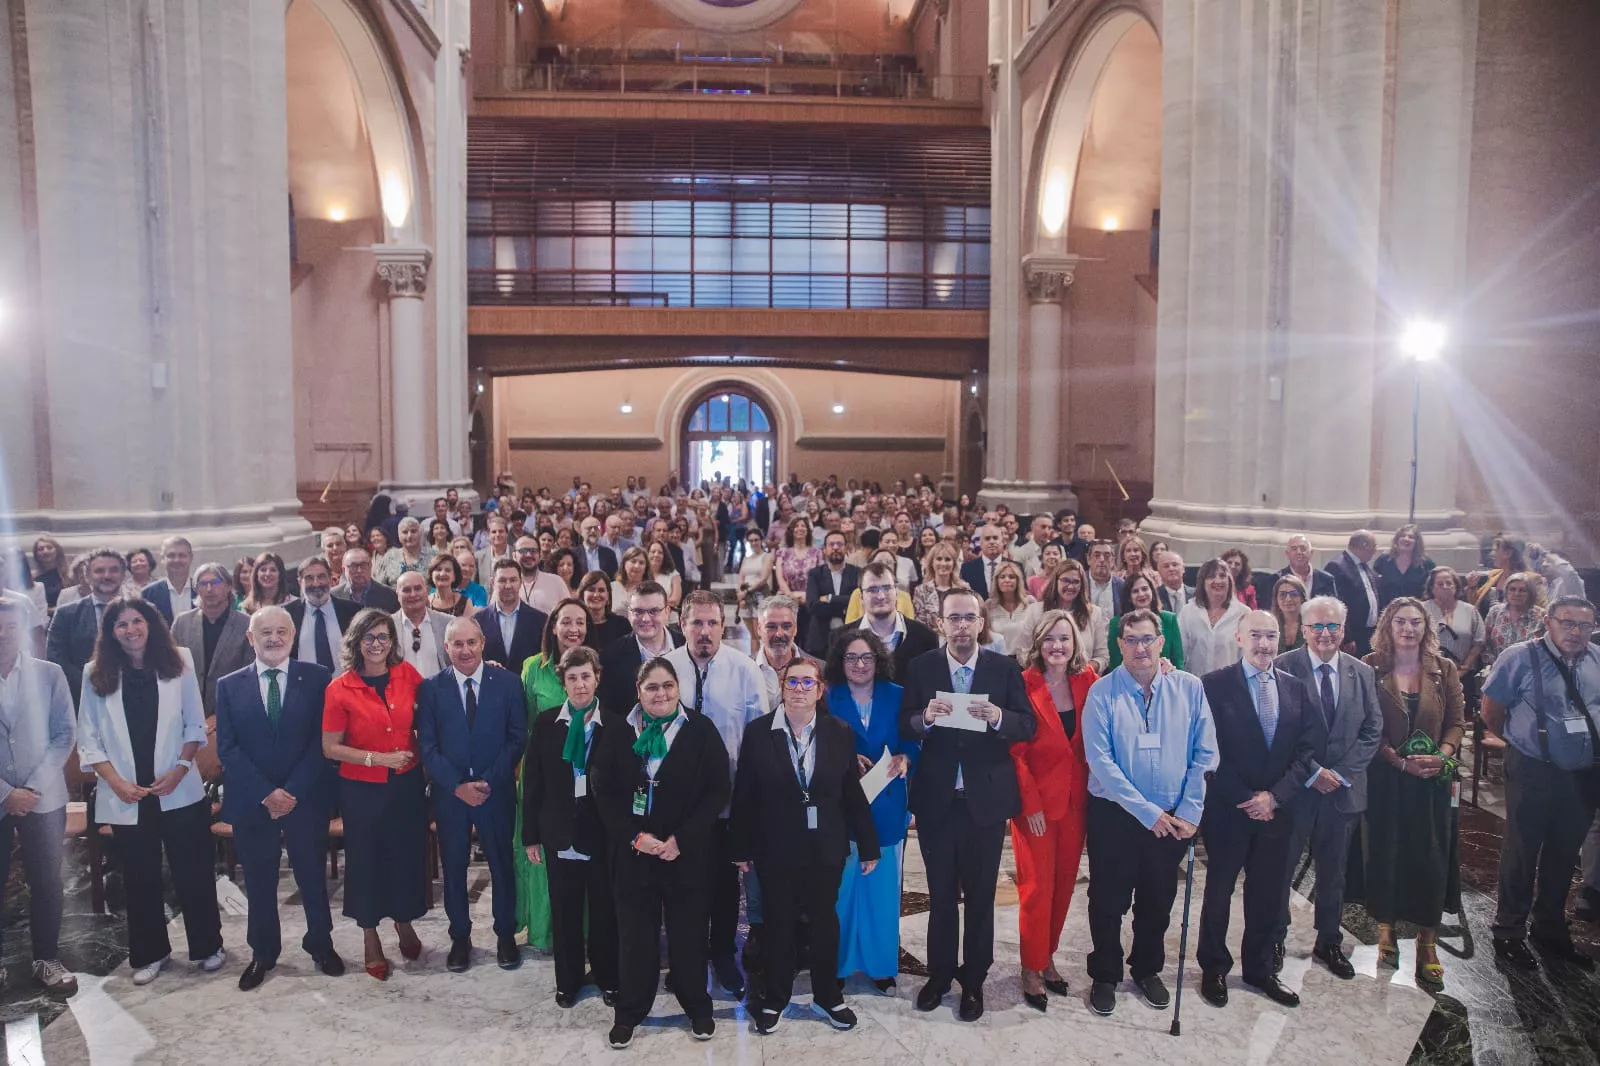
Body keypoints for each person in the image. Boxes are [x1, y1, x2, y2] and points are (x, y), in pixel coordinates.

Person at [901, 588, 1035, 1021]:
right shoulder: (922, 667)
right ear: (940, 622)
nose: (961, 626)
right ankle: (939, 975)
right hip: (937, 800)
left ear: (981, 623)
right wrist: (925, 718)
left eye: (968, 618)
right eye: (953, 618)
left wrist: (998, 718)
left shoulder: (1003, 667)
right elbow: (906, 721)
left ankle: (974, 980)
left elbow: (1027, 724)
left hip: (985, 801)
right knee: (941, 895)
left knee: (980, 897)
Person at [77, 597, 224, 985]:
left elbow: (195, 724)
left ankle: (208, 946)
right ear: (111, 633)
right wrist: (117, 783)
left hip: (177, 786)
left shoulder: (180, 661)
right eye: (121, 624)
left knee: (193, 870)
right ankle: (150, 953)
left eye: (137, 621)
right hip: (127, 793)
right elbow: (88, 739)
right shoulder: (95, 672)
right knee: (139, 876)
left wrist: (180, 769)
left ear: (151, 624)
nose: (130, 630)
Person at [732, 655, 879, 1034]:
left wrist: (868, 844)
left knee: (824, 921)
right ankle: (776, 997)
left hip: (825, 846)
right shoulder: (758, 732)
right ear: (781, 689)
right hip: (775, 846)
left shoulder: (839, 732)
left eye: (807, 682)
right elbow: (745, 793)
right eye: (792, 682)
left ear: (819, 689)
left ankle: (828, 996)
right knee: (778, 922)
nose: (799, 689)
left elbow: (851, 792)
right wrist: (740, 847)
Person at [1080, 608, 1216, 1016]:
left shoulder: (1188, 687)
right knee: (1107, 899)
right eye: (1131, 640)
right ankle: (1105, 973)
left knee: (1158, 898)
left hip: (1171, 816)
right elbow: (1100, 762)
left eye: (1147, 639)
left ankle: (1146, 968)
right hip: (1115, 814)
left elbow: (1205, 753)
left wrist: (1190, 811)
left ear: (1161, 643)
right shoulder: (1102, 692)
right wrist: (1145, 812)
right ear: (1119, 646)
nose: (1140, 647)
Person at [590, 657, 730, 1049]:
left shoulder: (700, 729)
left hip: (685, 854)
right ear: (639, 691)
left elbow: (718, 789)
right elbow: (603, 791)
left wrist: (681, 839)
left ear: (678, 688)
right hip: (635, 853)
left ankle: (697, 1005)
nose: (661, 694)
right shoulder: (619, 731)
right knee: (635, 937)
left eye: (668, 685)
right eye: (651, 687)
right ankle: (630, 1011)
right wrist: (634, 836)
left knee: (689, 936)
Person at [1196, 611, 1322, 1010]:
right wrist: (1248, 798)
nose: (1264, 644)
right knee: (1219, 892)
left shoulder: (1296, 688)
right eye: (1256, 635)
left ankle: (1260, 968)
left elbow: (1306, 752)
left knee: (1269, 894)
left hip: (1278, 812)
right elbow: (1207, 750)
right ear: (1239, 638)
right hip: (1229, 809)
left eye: (1271, 636)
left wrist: (1275, 797)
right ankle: (1214, 967)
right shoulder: (1213, 685)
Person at [214, 606, 344, 990]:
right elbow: (228, 748)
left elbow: (321, 742)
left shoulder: (317, 677)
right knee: (258, 880)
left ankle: (321, 945)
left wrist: (292, 792)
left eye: (281, 631)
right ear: (250, 638)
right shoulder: (228, 685)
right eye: (265, 632)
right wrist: (266, 793)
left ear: (292, 635)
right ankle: (263, 952)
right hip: (252, 801)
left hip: (305, 797)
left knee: (311, 876)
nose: (274, 639)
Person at [1482, 596, 1600, 972]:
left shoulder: (1596, 659)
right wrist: (1520, 744)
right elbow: (1491, 711)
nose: (1576, 632)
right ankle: (1509, 931)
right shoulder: (1519, 657)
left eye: (1585, 625)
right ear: (1548, 622)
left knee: (1564, 854)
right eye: (1568, 623)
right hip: (1533, 769)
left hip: (1582, 773)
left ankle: (1549, 928)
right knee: (1522, 851)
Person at [1271, 595, 1383, 980]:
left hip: (1342, 791)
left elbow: (1372, 730)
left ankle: (1329, 940)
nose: (1325, 633)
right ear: (1303, 630)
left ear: (1343, 629)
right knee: (1281, 868)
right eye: (1317, 626)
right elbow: (1277, 731)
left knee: (1334, 872)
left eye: (1332, 626)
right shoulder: (1283, 667)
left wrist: (1340, 773)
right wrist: (1312, 772)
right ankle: (1275, 936)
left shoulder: (1361, 672)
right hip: (1296, 790)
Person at [1357, 597, 1464, 991]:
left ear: (1426, 627)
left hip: (1433, 781)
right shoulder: (1371, 666)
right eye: (1400, 621)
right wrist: (1397, 761)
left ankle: (1428, 942)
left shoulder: (1444, 668)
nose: (1408, 629)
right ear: (1388, 625)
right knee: (1387, 853)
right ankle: (1386, 930)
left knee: (1432, 856)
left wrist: (1442, 756)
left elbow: (1457, 723)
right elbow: (1367, 723)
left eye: (1416, 622)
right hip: (1387, 778)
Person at [666, 592, 769, 998]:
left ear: (723, 626)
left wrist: (751, 801)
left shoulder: (744, 670)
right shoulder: (666, 668)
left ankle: (724, 954)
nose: (705, 631)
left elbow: (759, 738)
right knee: (683, 886)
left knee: (726, 887)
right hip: (678, 804)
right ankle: (685, 959)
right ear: (682, 625)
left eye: (712, 623)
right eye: (697, 622)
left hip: (729, 801)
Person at [321, 609, 428, 980]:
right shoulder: (339, 688)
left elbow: (436, 706)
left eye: (383, 636)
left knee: (405, 858)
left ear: (392, 641)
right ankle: (370, 935)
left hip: (406, 786)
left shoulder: (407, 675)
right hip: (361, 790)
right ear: (356, 642)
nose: (376, 644)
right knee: (366, 863)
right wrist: (378, 759)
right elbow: (330, 747)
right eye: (368, 637)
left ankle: (403, 921)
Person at [416, 618, 527, 973]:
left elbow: (517, 738)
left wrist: (488, 782)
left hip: (495, 792)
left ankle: (505, 935)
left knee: (501, 865)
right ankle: (460, 937)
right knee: (453, 867)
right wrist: (457, 786)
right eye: (457, 644)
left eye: (471, 643)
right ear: (446, 647)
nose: (465, 650)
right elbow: (427, 746)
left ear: (482, 643)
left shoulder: (508, 683)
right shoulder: (431, 688)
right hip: (451, 796)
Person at [1009, 611, 1096, 1011]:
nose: (1057, 646)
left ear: (1075, 642)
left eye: (1064, 638)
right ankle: (1030, 966)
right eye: (1049, 639)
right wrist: (1029, 804)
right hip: (1036, 806)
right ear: (1038, 643)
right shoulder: (1023, 683)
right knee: (1037, 888)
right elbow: (1014, 752)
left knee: (1063, 886)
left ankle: (1048, 957)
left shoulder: (1088, 680)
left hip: (1076, 802)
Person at [522, 644, 618, 1007]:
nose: (580, 685)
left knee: (604, 912)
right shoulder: (547, 724)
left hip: (600, 835)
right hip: (559, 833)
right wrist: (531, 835)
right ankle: (568, 980)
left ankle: (608, 977)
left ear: (597, 679)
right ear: (563, 682)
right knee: (565, 912)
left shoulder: (615, 725)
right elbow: (533, 783)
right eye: (573, 678)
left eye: (586, 677)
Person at [825, 632, 915, 994]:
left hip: (887, 802)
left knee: (882, 891)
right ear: (840, 661)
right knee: (843, 892)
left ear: (878, 661)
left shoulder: (898, 695)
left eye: (867, 657)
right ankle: (839, 963)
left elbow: (912, 739)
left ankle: (880, 966)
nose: (859, 665)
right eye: (851, 657)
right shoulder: (828, 696)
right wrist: (845, 759)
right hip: (842, 807)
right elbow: (816, 741)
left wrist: (906, 758)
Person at [0, 601, 79, 994]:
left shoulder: (49, 674)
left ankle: (46, 958)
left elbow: (65, 733)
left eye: (10, 627)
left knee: (47, 880)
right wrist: (6, 793)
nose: (2, 635)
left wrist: (30, 788)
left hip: (43, 796)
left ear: (23, 630)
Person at [516, 598, 589, 951]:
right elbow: (525, 723)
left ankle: (586, 931)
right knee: (543, 855)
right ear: (553, 626)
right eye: (566, 622)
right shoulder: (533, 667)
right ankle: (546, 930)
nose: (573, 629)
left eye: (580, 622)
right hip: (543, 775)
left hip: (584, 775)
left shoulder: (592, 666)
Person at [171, 562, 253, 718]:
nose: (209, 589)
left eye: (215, 582)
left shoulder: (246, 624)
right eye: (203, 584)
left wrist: (220, 714)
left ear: (228, 586)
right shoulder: (182, 623)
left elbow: (249, 676)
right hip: (186, 712)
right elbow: (171, 668)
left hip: (230, 712)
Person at [46, 548, 126, 707]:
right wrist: (90, 685)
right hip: (81, 700)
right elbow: (56, 658)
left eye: (114, 570)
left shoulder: (142, 611)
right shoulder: (66, 614)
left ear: (123, 575)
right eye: (99, 571)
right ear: (87, 576)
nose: (107, 576)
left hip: (132, 698)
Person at [598, 583, 684, 717]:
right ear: (629, 613)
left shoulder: (686, 646)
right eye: (638, 611)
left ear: (667, 612)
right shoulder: (610, 656)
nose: (645, 619)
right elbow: (609, 711)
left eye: (654, 611)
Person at [286, 556, 360, 672]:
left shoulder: (353, 612)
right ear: (300, 582)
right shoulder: (287, 615)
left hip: (347, 681)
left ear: (330, 579)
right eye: (309, 578)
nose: (316, 583)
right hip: (305, 682)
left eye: (321, 576)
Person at [1178, 558, 1250, 675]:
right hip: (1195, 682)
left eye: (1222, 576)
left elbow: (1247, 656)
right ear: (1203, 582)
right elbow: (1180, 653)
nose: (1217, 581)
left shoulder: (1243, 613)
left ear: (1229, 580)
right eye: (1211, 576)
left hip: (1229, 682)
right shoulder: (1188, 612)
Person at [477, 559, 547, 677]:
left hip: (527, 686)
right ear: (493, 582)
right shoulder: (478, 621)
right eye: (502, 580)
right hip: (491, 684)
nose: (508, 586)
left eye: (513, 580)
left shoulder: (540, 620)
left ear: (521, 582)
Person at [1041, 559, 1111, 673]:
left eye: (1076, 582)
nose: (1070, 586)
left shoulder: (1094, 613)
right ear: (1055, 581)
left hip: (1082, 678)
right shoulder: (1036, 611)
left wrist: (1083, 671)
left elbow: (1102, 657)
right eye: (1065, 580)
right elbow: (1024, 652)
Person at [1107, 571, 1184, 672]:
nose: (1141, 594)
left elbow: (1178, 662)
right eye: (1135, 591)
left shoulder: (1169, 619)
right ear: (1129, 597)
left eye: (1144, 589)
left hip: (1165, 677)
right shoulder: (1116, 623)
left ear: (1152, 591)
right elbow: (1115, 663)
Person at [802, 531, 858, 656]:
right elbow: (812, 606)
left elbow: (858, 601)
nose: (836, 547)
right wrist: (844, 607)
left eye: (839, 544)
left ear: (846, 548)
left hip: (850, 636)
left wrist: (830, 598)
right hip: (820, 638)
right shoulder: (815, 574)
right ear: (824, 550)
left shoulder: (856, 573)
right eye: (831, 544)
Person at [1325, 531, 1381, 655]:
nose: (1375, 551)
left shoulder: (1365, 566)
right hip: (1353, 636)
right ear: (1364, 545)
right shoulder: (1337, 566)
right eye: (1374, 546)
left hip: (1370, 633)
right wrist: (1347, 637)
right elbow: (1336, 605)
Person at [1424, 567, 1486, 673]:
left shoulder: (1470, 610)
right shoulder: (1421, 610)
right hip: (1427, 672)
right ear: (1431, 588)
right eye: (1440, 584)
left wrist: (1465, 667)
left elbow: (1479, 642)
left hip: (1463, 673)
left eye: (1449, 583)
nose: (1445, 586)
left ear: (1456, 586)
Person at [390, 571, 452, 678]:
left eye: (418, 588)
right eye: (406, 590)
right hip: (402, 688)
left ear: (426, 590)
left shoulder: (448, 623)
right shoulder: (387, 625)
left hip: (439, 687)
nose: (413, 594)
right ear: (397, 594)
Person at [1484, 571, 1548, 666]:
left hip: (1531, 668)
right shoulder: (1495, 612)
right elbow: (1485, 643)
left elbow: (1548, 647)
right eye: (1512, 589)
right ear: (1506, 591)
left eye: (1522, 590)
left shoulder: (1541, 615)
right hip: (1497, 667)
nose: (1517, 594)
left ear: (1530, 593)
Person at [985, 560, 1040, 660]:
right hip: (998, 659)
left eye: (1011, 577)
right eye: (1002, 577)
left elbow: (1039, 633)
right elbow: (986, 639)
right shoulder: (989, 605)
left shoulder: (1030, 602)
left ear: (1018, 581)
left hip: (1026, 660)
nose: (1007, 580)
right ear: (996, 581)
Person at [1468, 535, 1529, 616]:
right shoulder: (1494, 575)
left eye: (1495, 550)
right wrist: (1472, 587)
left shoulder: (1531, 579)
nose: (1492, 554)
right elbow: (1476, 603)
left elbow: (1540, 612)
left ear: (1508, 553)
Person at [1375, 524, 1434, 607]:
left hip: (1415, 611)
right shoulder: (1384, 560)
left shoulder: (1426, 564)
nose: (1406, 539)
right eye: (1402, 536)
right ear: (1397, 540)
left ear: (1417, 542)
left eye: (1411, 537)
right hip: (1387, 611)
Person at [141, 536, 196, 623]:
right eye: (171, 556)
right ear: (162, 559)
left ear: (191, 558)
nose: (176, 560)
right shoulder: (148, 594)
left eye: (182, 555)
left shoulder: (201, 589)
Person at [912, 541, 965, 629]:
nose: (943, 563)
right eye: (939, 559)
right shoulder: (921, 591)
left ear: (954, 563)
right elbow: (920, 624)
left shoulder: (963, 589)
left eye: (947, 559)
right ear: (932, 563)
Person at [577, 569, 630, 651]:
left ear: (608, 595)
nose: (596, 595)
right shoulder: (575, 625)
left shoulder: (622, 624)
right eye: (591, 590)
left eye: (601, 590)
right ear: (582, 594)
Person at [333, 549, 400, 612]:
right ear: (344, 570)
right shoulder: (334, 595)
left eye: (363, 565)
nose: (359, 570)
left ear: (370, 566)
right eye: (353, 566)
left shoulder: (389, 595)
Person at [960, 524, 1009, 600]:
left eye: (995, 538)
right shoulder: (967, 569)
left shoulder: (1016, 567)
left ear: (1003, 542)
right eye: (987, 538)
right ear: (981, 543)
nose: (992, 542)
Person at [1084, 540, 1125, 619]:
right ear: (1088, 559)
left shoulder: (1121, 586)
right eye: (1097, 555)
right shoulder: (1080, 583)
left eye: (1107, 556)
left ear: (1113, 560)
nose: (1102, 559)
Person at [1270, 574, 1309, 654]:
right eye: (1283, 595)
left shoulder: (1311, 624)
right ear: (1276, 599)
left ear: (1302, 598)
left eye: (1294, 594)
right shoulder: (1270, 625)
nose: (1288, 599)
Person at [575, 516, 619, 581]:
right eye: (589, 528)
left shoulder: (609, 554)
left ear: (600, 531)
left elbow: (614, 579)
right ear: (581, 532)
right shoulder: (574, 554)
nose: (593, 531)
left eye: (596, 528)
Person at [1155, 551, 1192, 615]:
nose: (1171, 569)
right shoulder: (1154, 597)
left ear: (1183, 568)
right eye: (1166, 566)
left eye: (1175, 565)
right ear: (1159, 571)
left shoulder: (1197, 595)